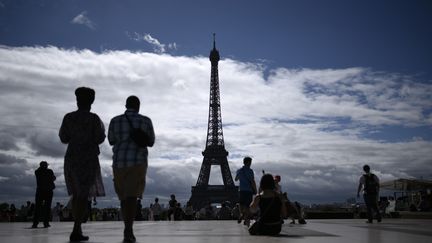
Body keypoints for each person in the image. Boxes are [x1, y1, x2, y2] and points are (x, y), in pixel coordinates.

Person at [59, 87, 106, 241]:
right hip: (88, 158)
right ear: (91, 101)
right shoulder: (94, 119)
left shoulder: (68, 118)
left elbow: (64, 138)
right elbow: (100, 138)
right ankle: (76, 228)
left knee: (76, 194)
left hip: (72, 157)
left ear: (77, 100)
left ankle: (77, 228)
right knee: (83, 195)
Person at [108, 95, 155, 243]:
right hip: (137, 161)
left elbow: (111, 140)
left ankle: (126, 226)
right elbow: (151, 142)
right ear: (138, 106)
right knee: (132, 196)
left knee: (123, 197)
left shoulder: (115, 120)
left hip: (119, 162)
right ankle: (129, 229)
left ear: (126, 105)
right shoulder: (145, 120)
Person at [32, 161, 56, 228]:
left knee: (37, 208)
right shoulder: (49, 171)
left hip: (40, 191)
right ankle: (46, 223)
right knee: (47, 208)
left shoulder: (37, 172)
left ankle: (35, 223)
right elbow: (54, 178)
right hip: (48, 191)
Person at [235, 156, 257, 226]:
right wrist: (255, 190)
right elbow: (252, 181)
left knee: (241, 204)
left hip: (241, 190)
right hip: (248, 190)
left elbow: (236, 179)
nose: (251, 164)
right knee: (248, 206)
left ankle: (241, 214)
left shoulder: (239, 170)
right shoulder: (250, 171)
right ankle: (246, 220)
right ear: (248, 162)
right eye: (250, 162)